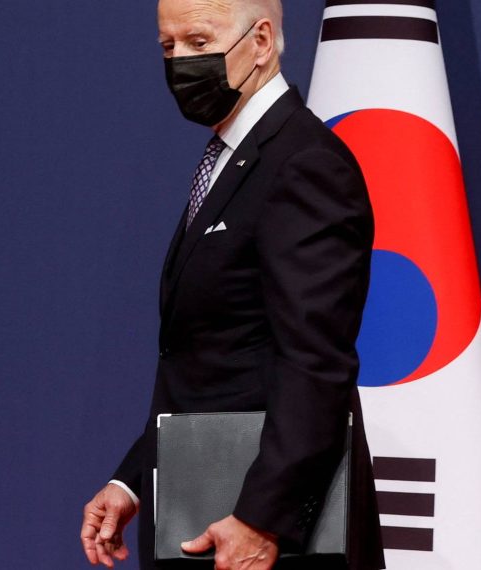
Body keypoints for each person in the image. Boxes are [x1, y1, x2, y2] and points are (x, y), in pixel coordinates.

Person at [79, 1, 384, 568]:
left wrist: (261, 521)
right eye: (168, 47)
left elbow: (315, 364)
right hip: (202, 508)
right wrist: (132, 482)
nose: (180, 64)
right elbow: (215, 361)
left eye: (198, 42)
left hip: (262, 536)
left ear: (262, 41)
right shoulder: (232, 156)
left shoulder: (304, 162)